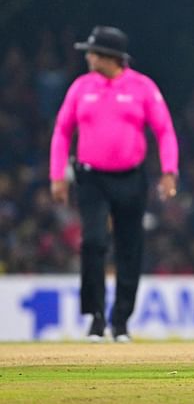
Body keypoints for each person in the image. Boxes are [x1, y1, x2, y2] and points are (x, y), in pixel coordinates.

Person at [49, 26, 179, 342]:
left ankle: (120, 321)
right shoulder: (81, 87)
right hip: (91, 177)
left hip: (131, 178)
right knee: (93, 242)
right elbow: (62, 130)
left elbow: (164, 130)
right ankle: (95, 317)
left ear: (109, 56)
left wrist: (169, 171)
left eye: (92, 52)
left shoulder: (142, 87)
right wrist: (57, 175)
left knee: (129, 248)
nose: (88, 57)